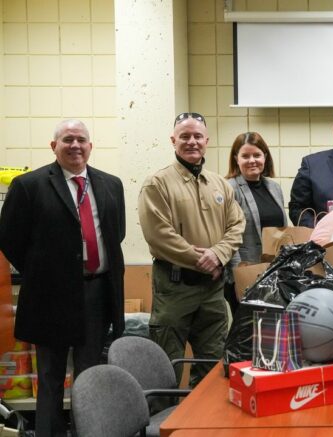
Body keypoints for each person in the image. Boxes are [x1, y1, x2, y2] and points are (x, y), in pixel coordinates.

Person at [0, 120, 125, 437]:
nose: (75, 145)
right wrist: (42, 273)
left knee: (89, 375)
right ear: (53, 145)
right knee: (52, 377)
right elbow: (10, 238)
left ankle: (88, 432)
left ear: (90, 146)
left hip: (97, 293)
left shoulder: (111, 184)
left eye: (81, 139)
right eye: (67, 139)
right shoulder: (30, 186)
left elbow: (115, 233)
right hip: (50, 297)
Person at [138, 112, 245, 385]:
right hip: (174, 289)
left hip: (212, 291)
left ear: (207, 140)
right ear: (173, 141)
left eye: (198, 136)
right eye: (184, 136)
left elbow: (237, 225)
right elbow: (158, 234)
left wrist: (218, 255)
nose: (192, 142)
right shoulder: (157, 183)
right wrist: (202, 258)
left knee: (213, 368)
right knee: (167, 367)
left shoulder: (220, 184)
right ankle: (165, 425)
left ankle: (206, 426)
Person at [224, 132, 287, 311]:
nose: (252, 160)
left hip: (275, 274)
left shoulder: (274, 188)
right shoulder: (229, 188)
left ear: (265, 157)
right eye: (245, 156)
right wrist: (239, 276)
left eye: (257, 155)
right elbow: (227, 235)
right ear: (236, 159)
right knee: (248, 334)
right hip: (245, 273)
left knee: (271, 332)